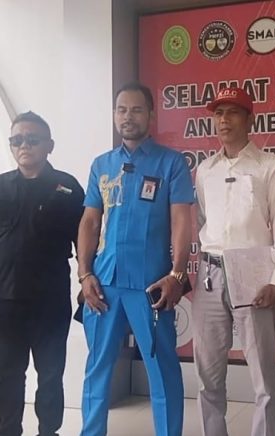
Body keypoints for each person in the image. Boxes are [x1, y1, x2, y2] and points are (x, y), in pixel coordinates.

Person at [77, 82, 193, 436]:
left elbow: (181, 221)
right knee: (98, 368)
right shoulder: (102, 165)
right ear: (115, 115)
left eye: (136, 109)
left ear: (151, 115)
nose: (128, 117)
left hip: (151, 285)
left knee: (162, 369)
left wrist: (177, 274)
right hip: (105, 284)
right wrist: (84, 274)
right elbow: (90, 222)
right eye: (121, 110)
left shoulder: (171, 163)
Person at [0, 112, 85, 436]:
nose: (24, 146)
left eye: (32, 139)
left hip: (51, 301)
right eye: (17, 140)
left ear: (49, 145)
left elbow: (85, 239)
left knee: (51, 375)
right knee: (8, 375)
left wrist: (86, 279)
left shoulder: (68, 187)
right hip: (5, 302)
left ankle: (49, 431)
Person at [193, 87, 275, 436]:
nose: (224, 120)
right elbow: (204, 218)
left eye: (233, 112)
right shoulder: (206, 170)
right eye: (219, 113)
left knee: (263, 375)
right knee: (207, 373)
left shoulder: (270, 166)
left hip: (254, 271)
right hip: (210, 271)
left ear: (249, 119)